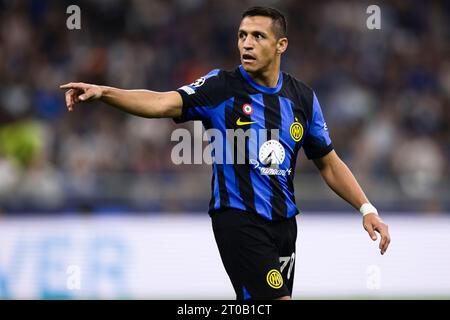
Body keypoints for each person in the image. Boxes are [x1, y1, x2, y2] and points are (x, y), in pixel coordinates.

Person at [60, 6, 390, 300]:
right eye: (242, 35)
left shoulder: (302, 98)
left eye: (258, 36)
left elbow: (329, 163)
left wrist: (366, 208)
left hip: (285, 224)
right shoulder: (221, 87)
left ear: (281, 45)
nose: (247, 43)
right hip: (238, 219)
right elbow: (162, 102)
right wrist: (105, 92)